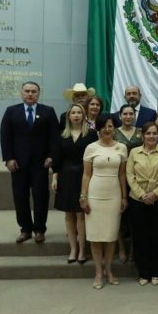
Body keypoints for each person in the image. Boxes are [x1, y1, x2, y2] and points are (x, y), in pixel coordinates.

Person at [0, 81, 59, 244]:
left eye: (34, 91)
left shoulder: (48, 111)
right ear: (21, 93)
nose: (30, 94)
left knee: (41, 196)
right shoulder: (11, 111)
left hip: (41, 163)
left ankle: (39, 229)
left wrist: (52, 156)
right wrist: (9, 158)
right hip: (18, 164)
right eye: (27, 91)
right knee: (20, 197)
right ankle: (25, 229)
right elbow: (5, 136)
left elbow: (54, 137)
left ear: (39, 94)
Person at [79, 116, 128, 290]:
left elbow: (122, 175)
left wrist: (124, 196)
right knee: (96, 236)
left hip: (114, 195)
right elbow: (86, 175)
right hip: (95, 194)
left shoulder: (121, 148)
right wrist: (83, 197)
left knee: (110, 236)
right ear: (98, 128)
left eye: (111, 126)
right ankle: (98, 272)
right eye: (104, 126)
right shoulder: (91, 148)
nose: (108, 129)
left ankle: (109, 270)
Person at [126, 122, 158, 286]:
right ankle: (143, 272)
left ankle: (157, 271)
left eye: (154, 133)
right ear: (142, 136)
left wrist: (155, 194)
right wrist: (142, 195)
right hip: (138, 200)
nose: (151, 136)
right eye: (148, 133)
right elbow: (129, 176)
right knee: (141, 237)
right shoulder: (134, 152)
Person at [52, 103, 98, 265]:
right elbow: (57, 159)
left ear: (84, 116)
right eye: (73, 113)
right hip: (65, 176)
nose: (76, 115)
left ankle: (82, 250)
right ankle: (73, 249)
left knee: (80, 214)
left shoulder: (91, 134)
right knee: (68, 214)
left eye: (79, 112)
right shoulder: (61, 135)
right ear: (68, 116)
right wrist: (55, 178)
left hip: (84, 176)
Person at [114, 104, 141, 263]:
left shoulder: (141, 132)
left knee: (135, 217)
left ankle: (133, 250)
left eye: (131, 114)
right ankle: (121, 248)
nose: (128, 116)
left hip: (138, 178)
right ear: (120, 116)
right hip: (118, 177)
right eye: (125, 114)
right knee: (119, 215)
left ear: (135, 116)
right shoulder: (113, 132)